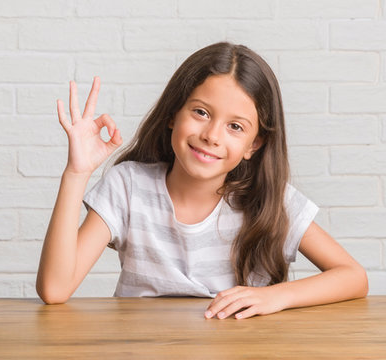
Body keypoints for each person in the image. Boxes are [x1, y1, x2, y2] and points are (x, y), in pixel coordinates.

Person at [36, 42, 368, 320]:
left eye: (235, 127)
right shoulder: (128, 187)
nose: (211, 136)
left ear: (254, 144)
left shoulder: (269, 201)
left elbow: (353, 277)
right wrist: (77, 172)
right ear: (172, 114)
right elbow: (54, 289)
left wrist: (275, 297)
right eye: (201, 112)